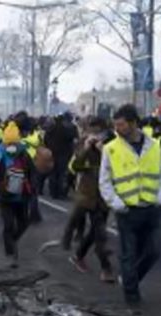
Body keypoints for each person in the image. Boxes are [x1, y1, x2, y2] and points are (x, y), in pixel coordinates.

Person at [99, 104, 161, 307]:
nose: (117, 129)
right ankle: (132, 295)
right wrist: (116, 203)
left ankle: (130, 279)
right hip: (127, 210)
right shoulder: (111, 148)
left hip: (151, 208)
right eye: (115, 125)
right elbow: (104, 181)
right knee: (128, 254)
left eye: (120, 124)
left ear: (133, 123)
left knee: (154, 251)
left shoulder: (155, 145)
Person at [68, 116, 116, 283]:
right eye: (92, 132)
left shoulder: (113, 144)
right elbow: (75, 166)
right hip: (88, 194)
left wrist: (104, 150)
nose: (95, 136)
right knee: (100, 232)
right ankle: (106, 268)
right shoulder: (83, 142)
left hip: (106, 194)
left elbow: (118, 165)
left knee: (96, 231)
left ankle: (78, 255)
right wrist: (87, 148)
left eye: (98, 132)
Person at [0, 121, 36, 268]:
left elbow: (32, 173)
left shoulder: (24, 153)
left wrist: (32, 189)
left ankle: (12, 241)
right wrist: (0, 188)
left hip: (22, 197)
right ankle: (11, 255)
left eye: (13, 143)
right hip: (5, 198)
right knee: (8, 225)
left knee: (24, 223)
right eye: (8, 143)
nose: (11, 147)